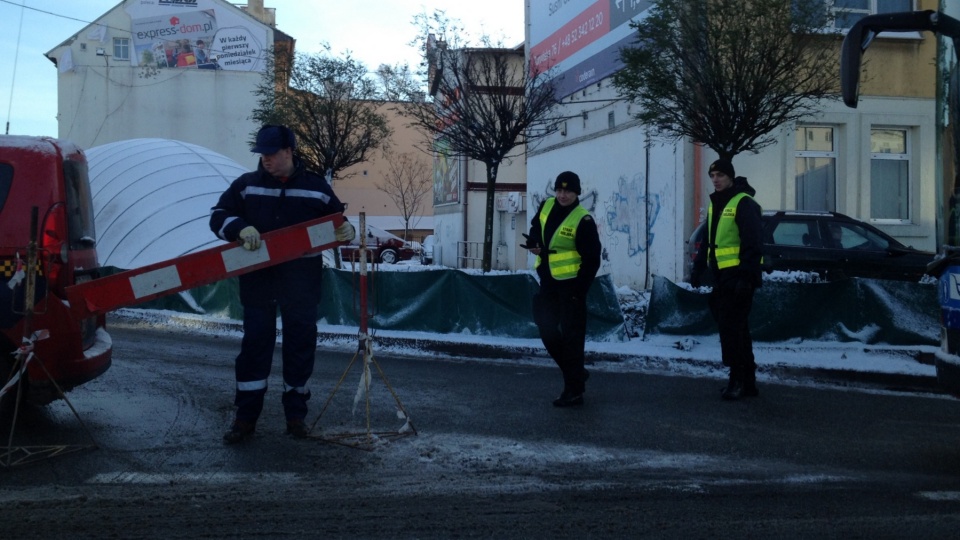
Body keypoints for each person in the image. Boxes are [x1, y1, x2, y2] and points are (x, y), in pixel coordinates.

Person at [209, 124, 356, 443]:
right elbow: (218, 215)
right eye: (261, 154)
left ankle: (296, 417)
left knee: (300, 349)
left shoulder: (316, 188)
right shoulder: (246, 186)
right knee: (254, 349)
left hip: (301, 285)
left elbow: (336, 222)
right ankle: (245, 419)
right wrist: (239, 229)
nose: (265, 159)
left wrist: (346, 231)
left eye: (271, 153)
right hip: (259, 284)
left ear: (289, 152)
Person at [526, 171, 602, 407]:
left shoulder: (583, 219)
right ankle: (576, 371)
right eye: (559, 190)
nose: (562, 195)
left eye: (568, 191)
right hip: (548, 281)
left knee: (572, 338)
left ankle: (574, 390)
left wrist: (579, 290)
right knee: (546, 330)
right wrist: (533, 242)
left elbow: (592, 260)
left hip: (571, 287)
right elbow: (536, 227)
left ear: (576, 193)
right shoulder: (547, 205)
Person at [690, 159, 764, 400]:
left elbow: (753, 244)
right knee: (737, 329)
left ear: (731, 176)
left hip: (739, 277)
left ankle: (738, 380)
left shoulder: (744, 203)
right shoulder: (717, 204)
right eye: (712, 175)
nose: (715, 179)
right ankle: (748, 382)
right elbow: (709, 241)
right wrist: (699, 266)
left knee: (732, 330)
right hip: (722, 277)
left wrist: (746, 277)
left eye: (720, 175)